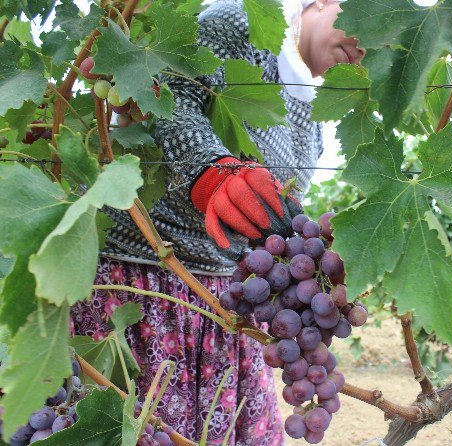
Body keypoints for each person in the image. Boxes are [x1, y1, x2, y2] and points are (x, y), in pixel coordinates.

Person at [71, 0, 364, 444]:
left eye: (378, 47)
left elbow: (282, 219)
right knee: (144, 429)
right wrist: (207, 169)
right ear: (321, 1)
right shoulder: (242, 22)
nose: (363, 50)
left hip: (225, 301)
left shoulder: (315, 116)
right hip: (142, 280)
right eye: (364, 22)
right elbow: (169, 88)